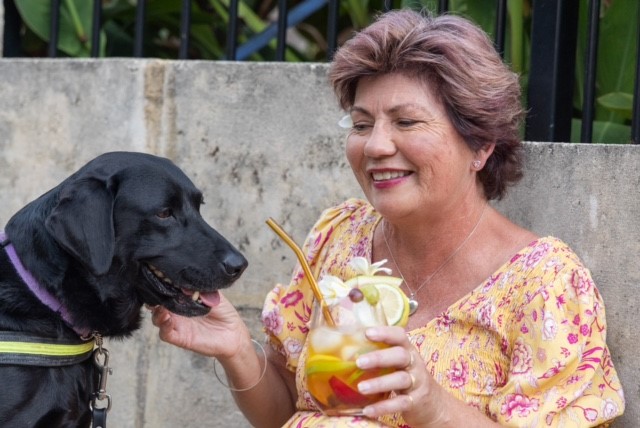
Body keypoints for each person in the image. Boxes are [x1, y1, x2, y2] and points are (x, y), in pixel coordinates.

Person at [150, 9, 625, 427]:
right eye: (361, 125)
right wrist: (237, 349)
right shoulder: (337, 238)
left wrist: (434, 408)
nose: (375, 146)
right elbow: (286, 414)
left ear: (481, 145)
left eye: (406, 122)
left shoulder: (542, 284)